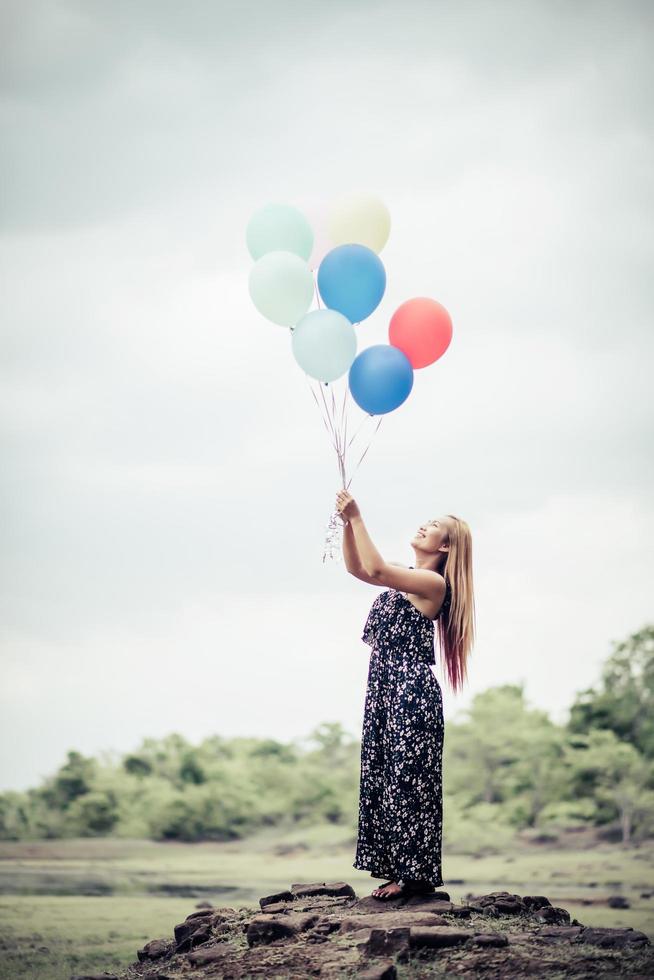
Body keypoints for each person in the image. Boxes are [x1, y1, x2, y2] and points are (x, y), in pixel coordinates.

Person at [335, 488, 475, 901]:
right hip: (385, 692)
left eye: (434, 527)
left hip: (410, 693)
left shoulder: (432, 583)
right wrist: (346, 524)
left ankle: (413, 877)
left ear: (445, 546)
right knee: (386, 776)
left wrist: (358, 516)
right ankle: (399, 869)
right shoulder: (406, 578)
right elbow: (359, 570)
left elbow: (375, 570)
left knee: (408, 784)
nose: (424, 526)